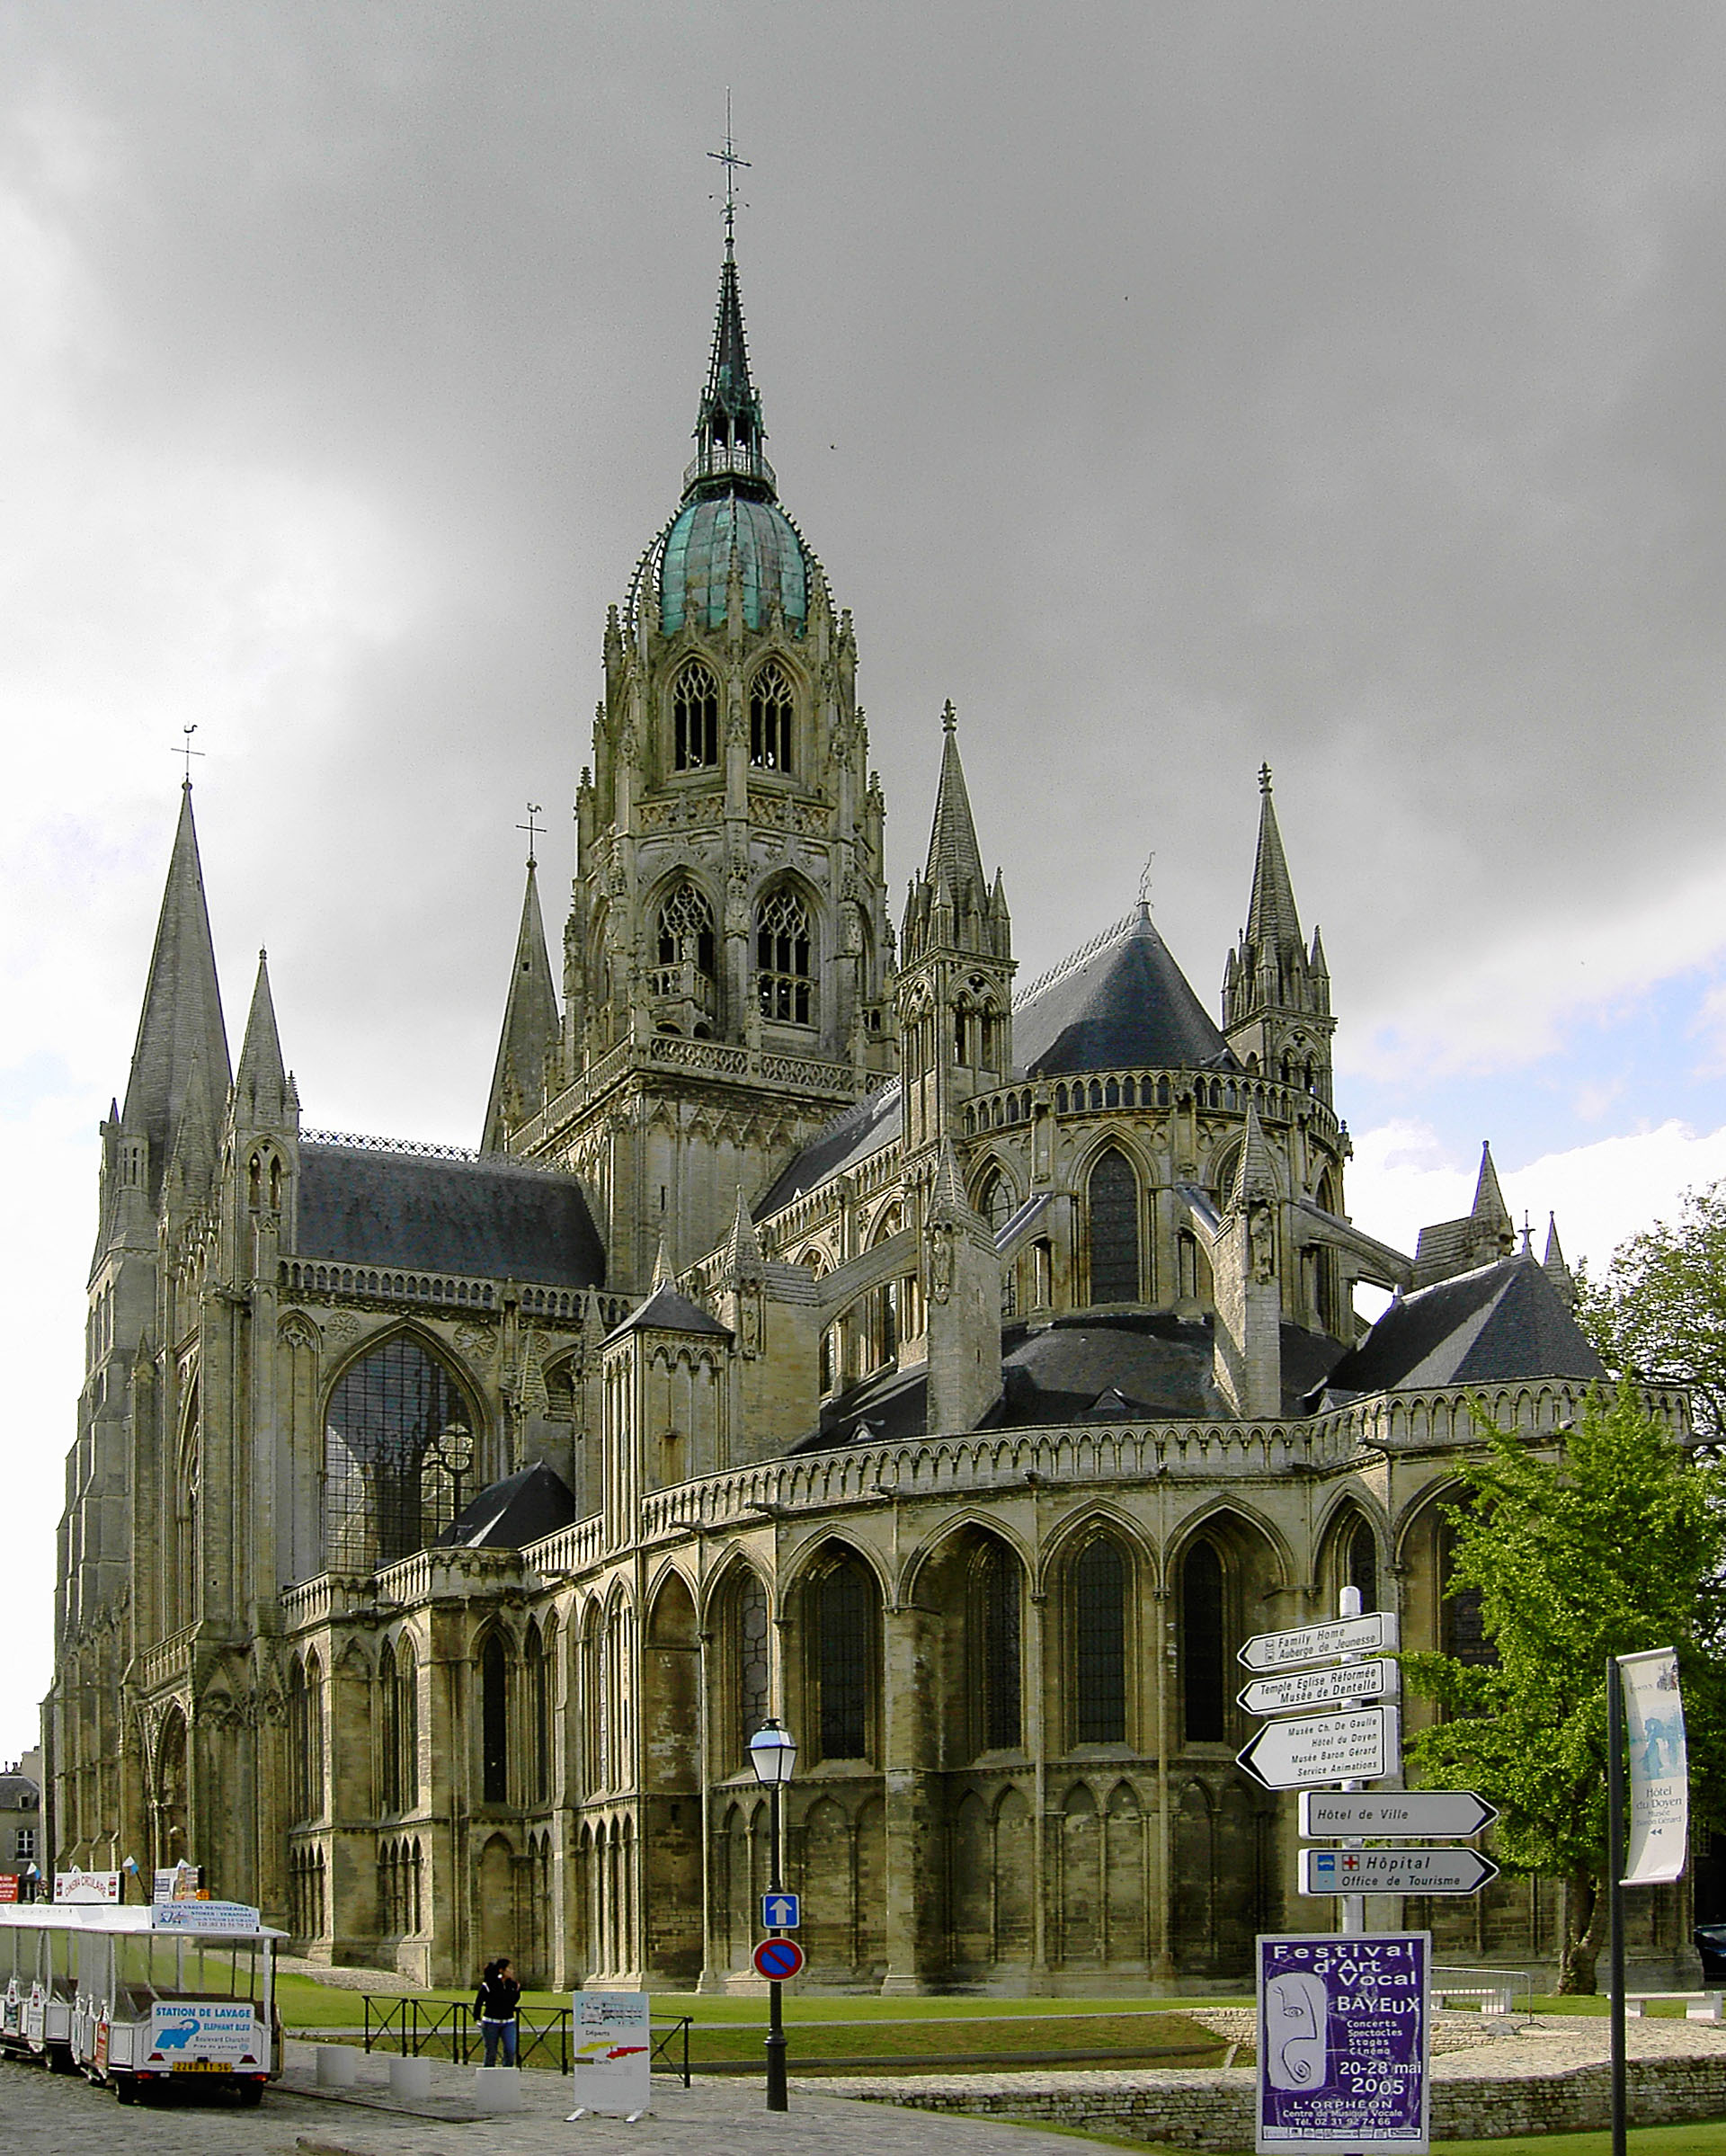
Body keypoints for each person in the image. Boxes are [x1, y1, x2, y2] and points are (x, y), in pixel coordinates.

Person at [475, 1955, 520, 2067]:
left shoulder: (513, 1985)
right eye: (509, 1969)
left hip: (508, 2022)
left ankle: (507, 2074)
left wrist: (516, 1991)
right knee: (491, 2052)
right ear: (502, 1970)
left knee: (510, 2050)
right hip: (490, 2023)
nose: (512, 1971)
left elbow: (512, 2002)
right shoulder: (489, 1985)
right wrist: (477, 2018)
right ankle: (489, 2078)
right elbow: (479, 2002)